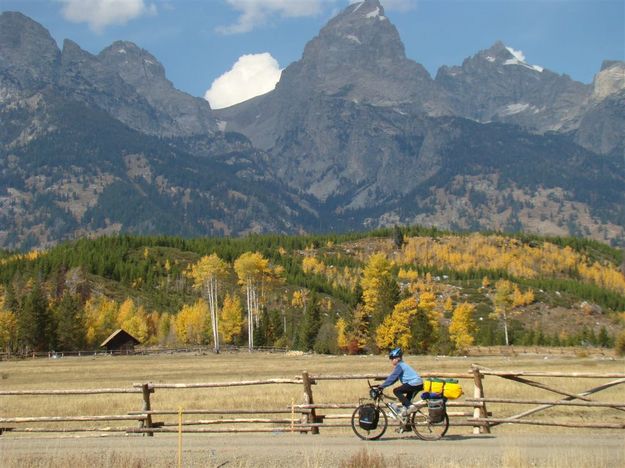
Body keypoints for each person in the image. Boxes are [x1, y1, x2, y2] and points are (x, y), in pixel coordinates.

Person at [378, 347, 423, 416]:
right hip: (416, 384)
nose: (392, 361)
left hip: (414, 384)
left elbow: (392, 378)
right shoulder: (402, 365)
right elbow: (394, 379)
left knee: (396, 391)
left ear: (398, 358)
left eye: (393, 359)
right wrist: (384, 385)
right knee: (405, 405)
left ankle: (411, 407)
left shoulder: (400, 366)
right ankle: (405, 424)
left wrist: (382, 386)